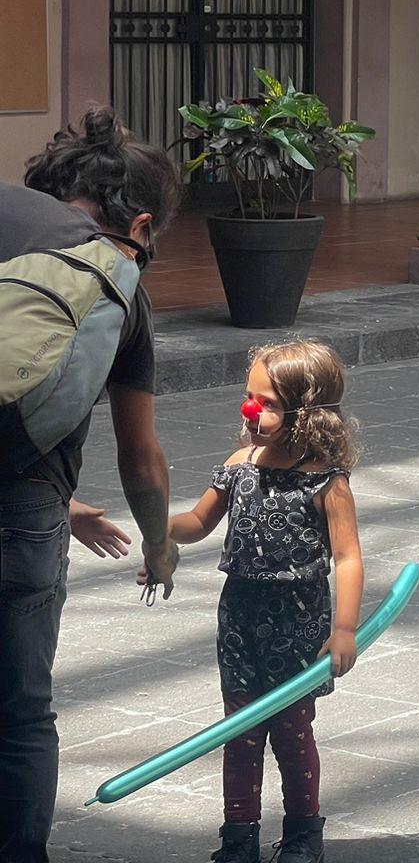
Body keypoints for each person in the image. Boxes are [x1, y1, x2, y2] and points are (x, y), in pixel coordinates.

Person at [1, 109, 181, 862]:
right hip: (23, 509)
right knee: (20, 714)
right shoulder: (119, 287)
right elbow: (141, 457)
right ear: (138, 222)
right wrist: (159, 544)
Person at [148, 342, 363, 863]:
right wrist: (155, 523)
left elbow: (348, 556)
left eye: (267, 403)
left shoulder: (325, 481)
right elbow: (198, 523)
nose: (251, 411)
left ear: (307, 414)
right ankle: (238, 837)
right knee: (239, 731)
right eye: (249, 398)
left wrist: (345, 629)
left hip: (298, 619)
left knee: (292, 732)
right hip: (240, 616)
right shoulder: (240, 464)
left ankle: (303, 834)